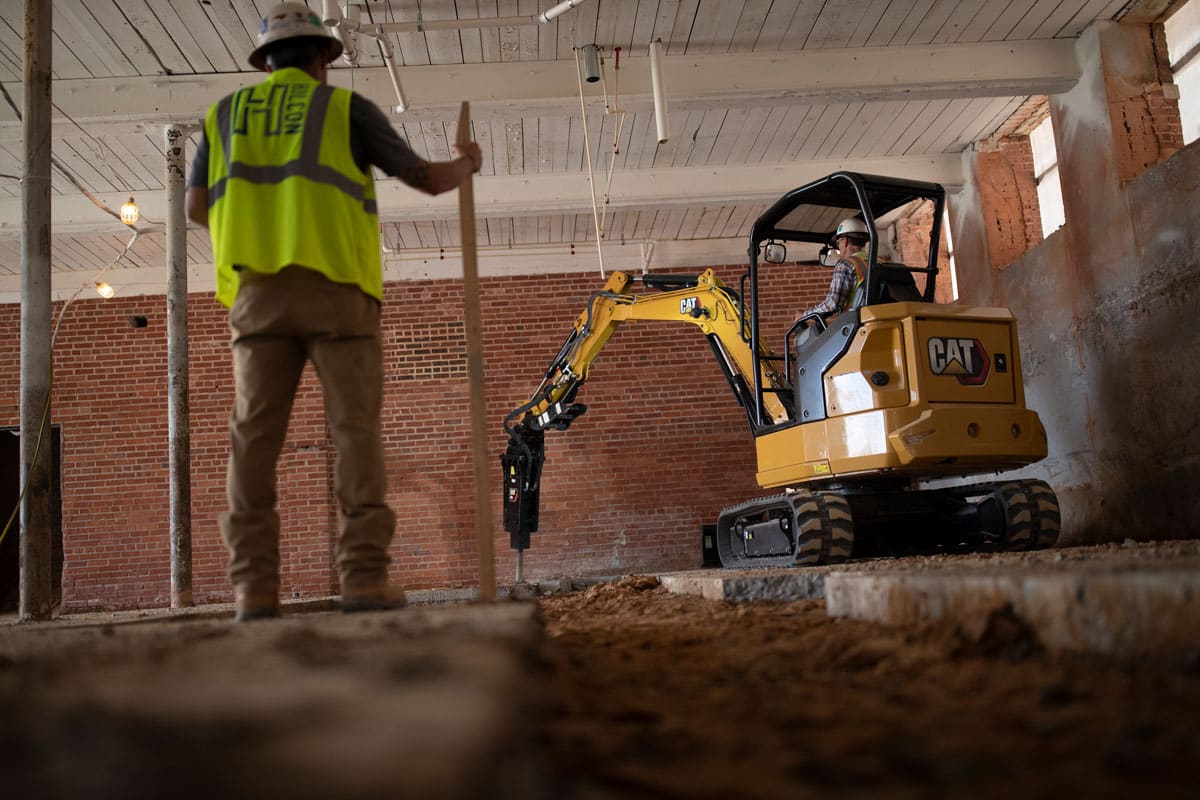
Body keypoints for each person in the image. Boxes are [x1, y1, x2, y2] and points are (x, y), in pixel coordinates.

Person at [186, 2, 483, 622]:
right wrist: (468, 163)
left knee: (253, 441)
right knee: (354, 434)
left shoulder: (222, 117)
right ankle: (364, 582)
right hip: (338, 291)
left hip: (257, 297)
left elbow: (195, 207)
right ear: (323, 58)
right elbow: (424, 178)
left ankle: (255, 591)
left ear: (266, 62)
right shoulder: (345, 110)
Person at [796, 217, 871, 329]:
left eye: (838, 242)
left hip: (857, 327)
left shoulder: (846, 264)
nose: (839, 247)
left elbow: (833, 303)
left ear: (844, 241)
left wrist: (804, 315)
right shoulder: (878, 262)